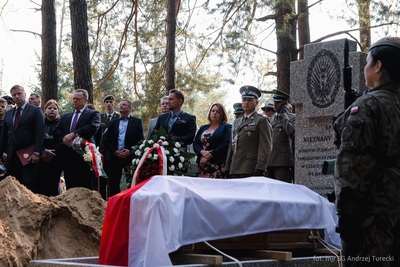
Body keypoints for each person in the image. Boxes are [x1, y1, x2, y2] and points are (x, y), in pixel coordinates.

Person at [333, 36, 400, 267]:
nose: (365, 68)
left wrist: (347, 216)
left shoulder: (367, 107)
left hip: (371, 216)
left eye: (367, 62)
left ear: (378, 66)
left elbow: (353, 166)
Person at [53, 89, 101, 190]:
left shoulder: (93, 114)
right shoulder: (66, 116)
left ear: (86, 100)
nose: (75, 101)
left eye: (78, 99)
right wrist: (65, 140)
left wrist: (74, 134)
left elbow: (93, 127)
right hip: (67, 155)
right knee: (71, 186)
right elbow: (57, 131)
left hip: (84, 156)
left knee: (86, 186)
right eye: (73, 98)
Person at [0, 85, 44, 192]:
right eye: (14, 95)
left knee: (28, 182)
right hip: (11, 155)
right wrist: (1, 153)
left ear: (24, 93)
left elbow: (40, 133)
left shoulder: (35, 111)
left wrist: (37, 152)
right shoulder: (9, 113)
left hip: (28, 155)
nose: (17, 97)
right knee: (13, 183)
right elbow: (4, 135)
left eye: (19, 94)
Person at [226, 85, 272, 178]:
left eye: (250, 100)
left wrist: (260, 168)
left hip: (250, 167)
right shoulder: (236, 122)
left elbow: (265, 146)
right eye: (244, 100)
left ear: (257, 102)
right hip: (234, 168)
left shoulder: (261, 120)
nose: (246, 102)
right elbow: (232, 145)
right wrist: (227, 167)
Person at [103, 99, 144, 197]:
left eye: (124, 105)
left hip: (130, 158)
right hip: (115, 157)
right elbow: (106, 140)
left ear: (129, 109)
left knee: (132, 182)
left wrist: (130, 151)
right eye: (120, 105)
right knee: (113, 184)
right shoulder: (113, 122)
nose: (120, 106)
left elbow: (140, 141)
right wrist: (114, 151)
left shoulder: (137, 122)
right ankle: (114, 204)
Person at [193, 103, 232, 178]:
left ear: (222, 114)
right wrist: (201, 152)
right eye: (213, 111)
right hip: (202, 164)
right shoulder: (203, 127)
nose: (214, 113)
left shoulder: (226, 127)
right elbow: (196, 143)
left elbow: (226, 144)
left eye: (218, 112)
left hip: (217, 164)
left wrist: (210, 155)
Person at [266, 90, 295, 183]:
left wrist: (284, 116)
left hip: (282, 162)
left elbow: (292, 133)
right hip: (269, 160)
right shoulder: (271, 119)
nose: (275, 104)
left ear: (285, 103)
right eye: (274, 102)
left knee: (282, 190)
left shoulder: (292, 118)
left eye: (278, 102)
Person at [36, 99, 63, 196]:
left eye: (55, 108)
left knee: (54, 183)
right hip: (40, 157)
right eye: (49, 108)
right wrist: (43, 151)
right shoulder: (40, 123)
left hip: (56, 158)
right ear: (45, 110)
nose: (52, 110)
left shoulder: (62, 123)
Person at [95, 95, 120, 199]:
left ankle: (113, 200)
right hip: (102, 152)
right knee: (102, 180)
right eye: (107, 102)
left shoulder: (119, 117)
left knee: (114, 180)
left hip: (115, 152)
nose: (109, 104)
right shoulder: (100, 117)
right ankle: (101, 201)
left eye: (111, 102)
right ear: (104, 104)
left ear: (114, 104)